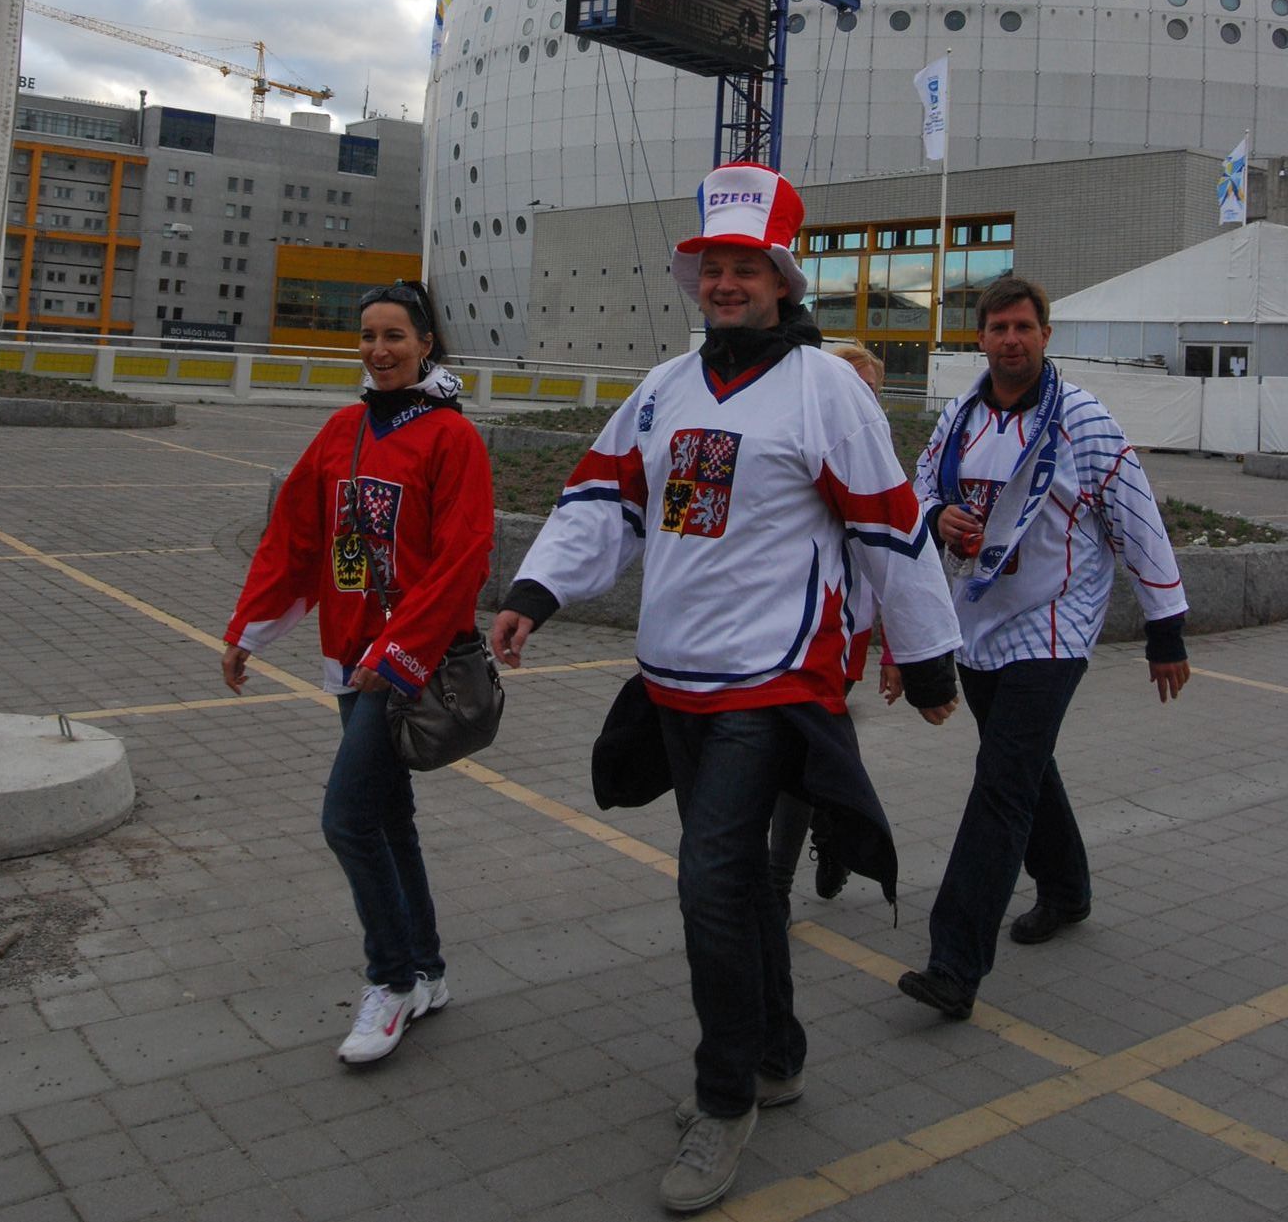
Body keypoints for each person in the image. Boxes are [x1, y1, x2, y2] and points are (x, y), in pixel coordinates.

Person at [491, 163, 962, 1215]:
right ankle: (778, 1052)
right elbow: (598, 503)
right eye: (713, 265)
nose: (726, 282)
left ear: (784, 279)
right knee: (742, 884)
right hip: (673, 683)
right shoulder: (662, 387)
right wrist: (536, 591)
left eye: (747, 266)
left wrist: (929, 658)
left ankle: (724, 1098)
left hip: (772, 681)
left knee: (709, 882)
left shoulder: (826, 389)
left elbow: (891, 523)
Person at [898, 273, 1190, 1023]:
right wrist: (939, 518)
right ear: (980, 336)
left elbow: (1135, 515)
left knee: (1000, 781)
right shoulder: (958, 418)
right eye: (997, 327)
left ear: (1044, 334)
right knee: (1020, 764)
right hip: (977, 618)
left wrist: (1165, 627)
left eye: (1023, 326)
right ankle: (1066, 888)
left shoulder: (1082, 421)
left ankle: (953, 963)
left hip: (1054, 623)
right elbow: (918, 491)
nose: (1010, 339)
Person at [221, 281, 494, 1064]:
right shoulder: (342, 429)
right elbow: (294, 533)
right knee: (384, 816)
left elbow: (463, 556)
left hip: (409, 661)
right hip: (350, 654)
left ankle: (391, 979)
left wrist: (399, 653)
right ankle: (428, 970)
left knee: (346, 819)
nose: (379, 350)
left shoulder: (451, 438)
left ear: (426, 344)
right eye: (369, 335)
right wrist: (249, 627)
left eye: (395, 336)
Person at [767, 338, 901, 913]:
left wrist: (900, 652)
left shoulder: (878, 451)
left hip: (848, 627)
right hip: (784, 619)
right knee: (805, 745)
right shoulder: (793, 442)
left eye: (869, 391)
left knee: (801, 747)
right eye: (849, 389)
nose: (859, 401)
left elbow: (898, 558)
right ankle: (831, 823)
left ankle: (776, 883)